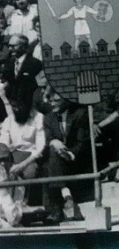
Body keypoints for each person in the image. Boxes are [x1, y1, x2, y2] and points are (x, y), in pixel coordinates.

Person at [43, 92, 90, 222]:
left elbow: (82, 143)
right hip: (59, 161)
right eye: (50, 101)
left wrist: (69, 154)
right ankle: (66, 197)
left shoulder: (80, 114)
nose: (52, 104)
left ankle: (56, 210)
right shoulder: (48, 118)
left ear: (66, 99)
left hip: (76, 160)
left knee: (49, 167)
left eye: (56, 100)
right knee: (49, 160)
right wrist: (54, 142)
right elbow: (47, 139)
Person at [0, 95, 45, 184]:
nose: (16, 110)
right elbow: (3, 144)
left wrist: (21, 165)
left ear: (28, 106)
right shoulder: (9, 120)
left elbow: (40, 148)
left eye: (19, 106)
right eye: (14, 106)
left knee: (30, 173)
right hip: (13, 155)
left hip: (32, 157)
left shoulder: (39, 118)